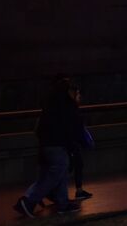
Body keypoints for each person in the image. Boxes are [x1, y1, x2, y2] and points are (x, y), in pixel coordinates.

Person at [14, 75, 84, 218]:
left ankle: (62, 203)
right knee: (55, 174)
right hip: (57, 144)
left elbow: (41, 129)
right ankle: (29, 201)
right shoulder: (66, 106)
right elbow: (71, 128)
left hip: (48, 145)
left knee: (55, 173)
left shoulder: (52, 104)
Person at [69, 83, 93, 201]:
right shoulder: (72, 110)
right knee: (75, 165)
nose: (79, 97)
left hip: (71, 142)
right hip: (72, 142)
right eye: (77, 94)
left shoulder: (71, 109)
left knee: (75, 165)